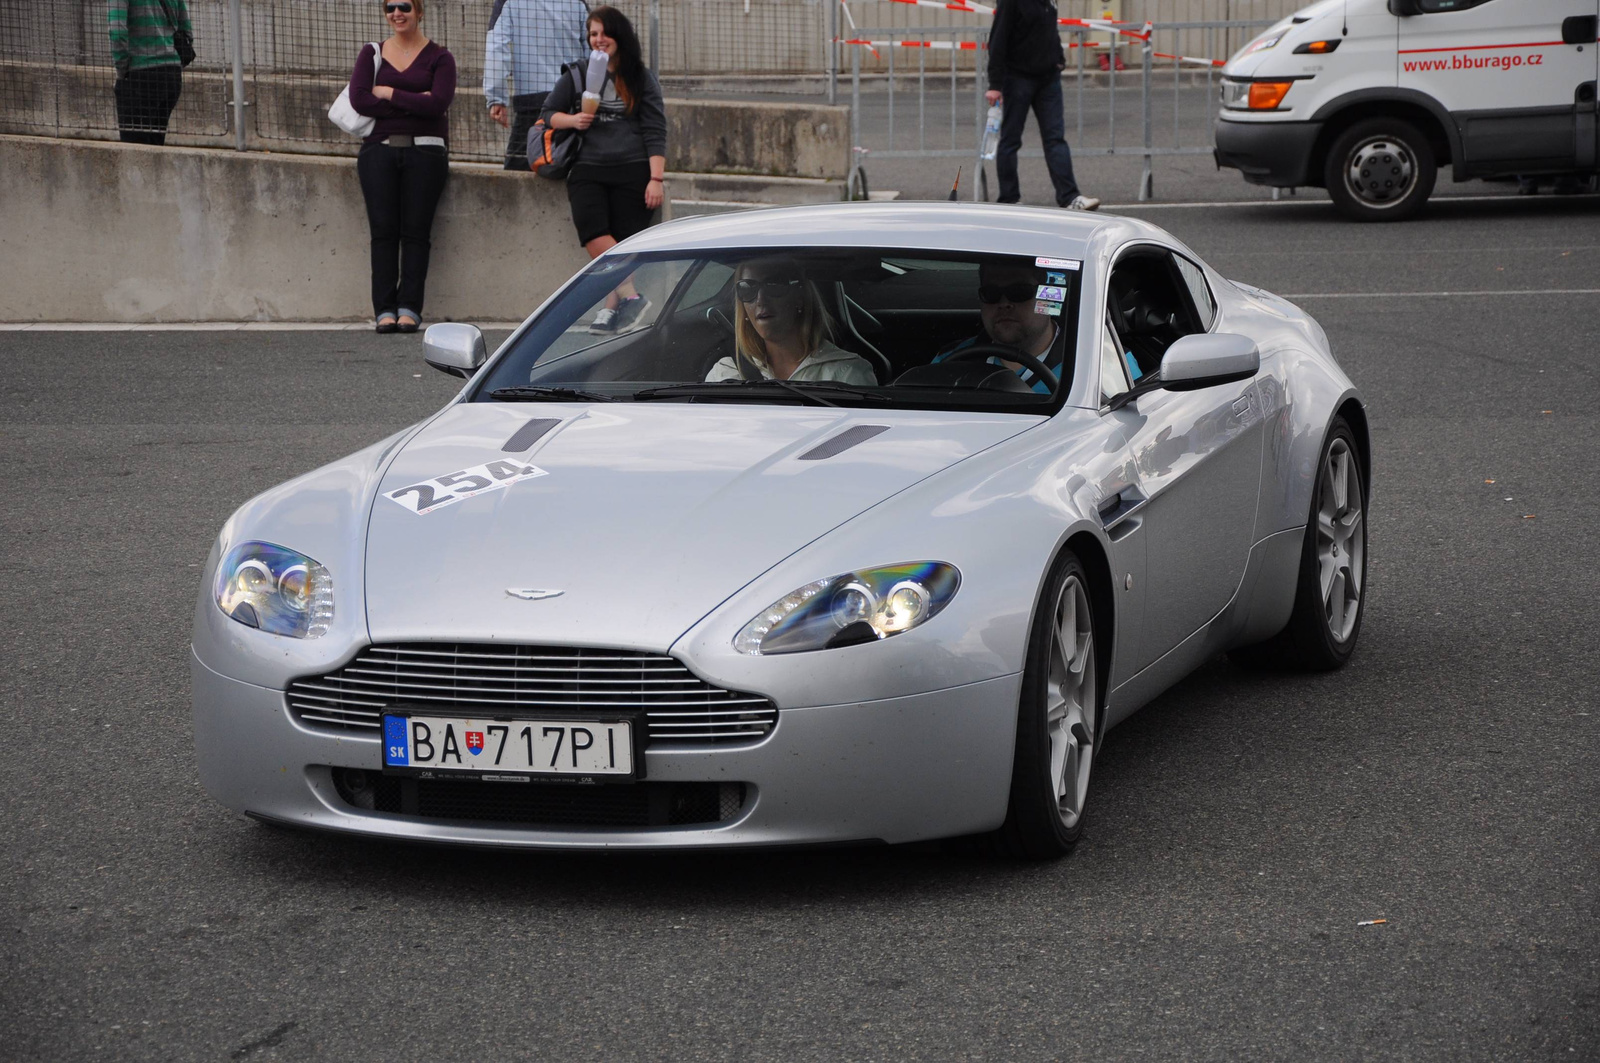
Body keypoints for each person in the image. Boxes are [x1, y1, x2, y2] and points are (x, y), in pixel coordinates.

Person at [542, 6, 666, 332]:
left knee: (623, 245)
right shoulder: (578, 73)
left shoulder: (641, 77)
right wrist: (574, 120)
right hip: (588, 168)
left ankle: (612, 308)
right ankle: (632, 297)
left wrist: (656, 178)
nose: (598, 39)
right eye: (593, 34)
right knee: (594, 233)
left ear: (619, 35)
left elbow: (655, 129)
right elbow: (548, 114)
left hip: (633, 169)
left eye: (604, 33)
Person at [347, 0, 457, 333]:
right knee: (383, 232)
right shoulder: (372, 53)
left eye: (405, 6)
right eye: (390, 7)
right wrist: (415, 104)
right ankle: (384, 309)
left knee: (416, 232)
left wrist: (390, 93)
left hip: (427, 154)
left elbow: (438, 103)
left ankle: (409, 307)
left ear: (420, 11)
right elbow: (360, 99)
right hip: (378, 153)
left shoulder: (441, 58)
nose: (397, 13)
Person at [985, 0, 1099, 212]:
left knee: (1055, 139)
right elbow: (997, 39)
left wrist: (1059, 59)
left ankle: (1070, 197)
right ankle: (1009, 199)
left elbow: (1049, 31)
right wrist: (995, 84)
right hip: (1017, 78)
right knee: (1010, 140)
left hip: (1048, 79)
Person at [705, 260, 877, 385]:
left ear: (800, 298)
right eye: (747, 289)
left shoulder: (848, 375)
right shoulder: (724, 373)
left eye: (774, 285)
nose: (760, 300)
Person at [483, 0, 590, 170]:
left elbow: (497, 46)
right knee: (570, 165)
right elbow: (591, 49)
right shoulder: (578, 3)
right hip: (570, 102)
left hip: (531, 103)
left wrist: (496, 97)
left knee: (517, 174)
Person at [934, 259, 1066, 392]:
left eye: (1019, 292)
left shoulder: (1082, 366)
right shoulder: (949, 362)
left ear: (1050, 298)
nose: (1004, 303)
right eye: (991, 293)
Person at [109, 0, 191, 145]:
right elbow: (186, 29)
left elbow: (117, 33)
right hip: (171, 75)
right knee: (155, 147)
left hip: (139, 74)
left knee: (135, 152)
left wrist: (122, 71)